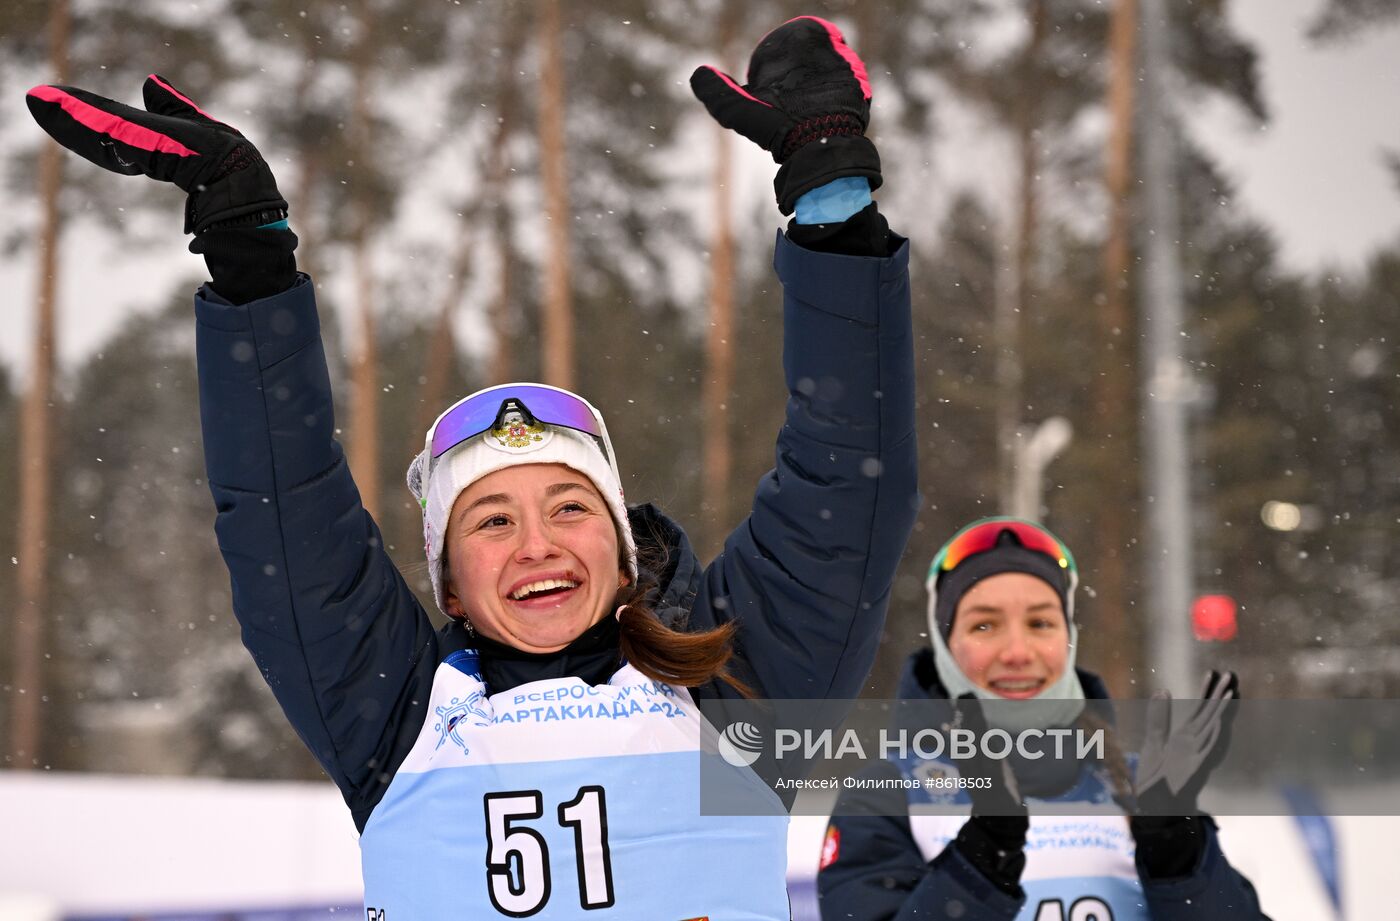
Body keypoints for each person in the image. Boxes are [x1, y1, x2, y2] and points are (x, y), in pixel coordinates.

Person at [28, 15, 917, 919]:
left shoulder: (731, 696)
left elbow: (849, 475)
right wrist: (249, 253)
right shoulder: (396, 720)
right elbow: (281, 512)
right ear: (449, 585)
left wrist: (835, 208)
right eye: (492, 520)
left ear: (622, 549)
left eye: (570, 506)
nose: (538, 544)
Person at [817, 518, 1271, 920]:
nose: (1018, 652)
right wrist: (982, 856)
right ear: (944, 644)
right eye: (984, 625)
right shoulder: (887, 797)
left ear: (1068, 637)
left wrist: (1178, 853)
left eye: (1040, 624)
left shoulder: (1142, 788)